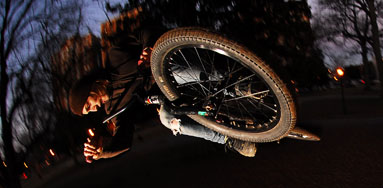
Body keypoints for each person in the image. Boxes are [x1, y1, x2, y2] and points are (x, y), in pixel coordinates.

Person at [68, 28, 257, 161]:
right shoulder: (114, 109)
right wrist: (103, 151)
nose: (94, 109)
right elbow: (123, 140)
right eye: (89, 112)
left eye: (88, 105)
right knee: (167, 120)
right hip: (168, 98)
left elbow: (146, 31)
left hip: (172, 69)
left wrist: (149, 49)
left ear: (89, 89)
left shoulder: (116, 57)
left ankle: (240, 86)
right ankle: (229, 140)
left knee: (176, 71)